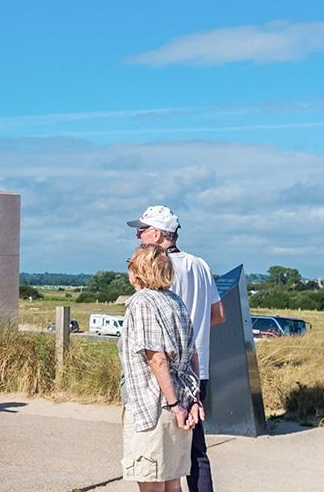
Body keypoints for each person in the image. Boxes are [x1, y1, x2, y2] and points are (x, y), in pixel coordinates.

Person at [129, 206, 224, 492]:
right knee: (195, 451)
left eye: (142, 230)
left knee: (162, 457)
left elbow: (156, 340)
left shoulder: (159, 270)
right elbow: (218, 314)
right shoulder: (200, 264)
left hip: (166, 376)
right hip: (199, 368)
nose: (138, 235)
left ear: (157, 234)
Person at [119, 243, 203, 492]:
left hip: (154, 406)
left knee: (152, 483)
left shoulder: (141, 302)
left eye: (130, 262)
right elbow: (194, 355)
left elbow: (157, 359)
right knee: (172, 483)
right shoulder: (174, 301)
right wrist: (194, 400)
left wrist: (175, 406)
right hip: (181, 399)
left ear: (138, 269)